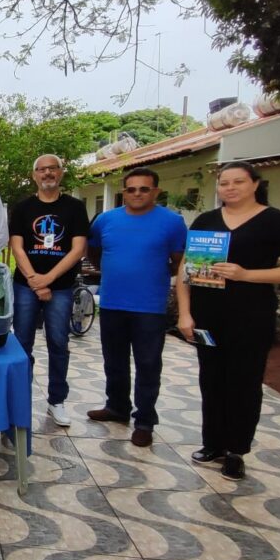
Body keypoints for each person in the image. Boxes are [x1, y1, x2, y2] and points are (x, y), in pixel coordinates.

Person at [176, 162, 280, 481]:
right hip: (207, 315)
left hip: (251, 316)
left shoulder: (276, 222)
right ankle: (213, 443)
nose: (230, 188)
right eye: (224, 183)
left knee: (244, 383)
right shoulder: (206, 221)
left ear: (255, 184)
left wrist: (248, 275)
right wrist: (185, 313)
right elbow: (186, 271)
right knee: (212, 379)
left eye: (238, 182)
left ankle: (236, 450)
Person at [87, 167, 187, 447]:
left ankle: (144, 420)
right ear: (124, 191)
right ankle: (117, 407)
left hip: (150, 307)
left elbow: (180, 263)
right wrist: (108, 270)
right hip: (112, 303)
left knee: (148, 364)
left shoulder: (172, 222)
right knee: (114, 360)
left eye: (144, 189)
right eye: (131, 189)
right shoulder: (105, 221)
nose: (137, 194)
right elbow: (93, 252)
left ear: (156, 191)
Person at [9, 155, 89, 428]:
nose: (47, 174)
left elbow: (78, 249)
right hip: (25, 285)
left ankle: (57, 401)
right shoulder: (23, 208)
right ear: (34, 175)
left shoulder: (75, 208)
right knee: (22, 344)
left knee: (58, 343)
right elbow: (17, 247)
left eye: (52, 169)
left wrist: (49, 280)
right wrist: (34, 280)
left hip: (62, 287)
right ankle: (20, 399)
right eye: (42, 170)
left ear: (61, 173)